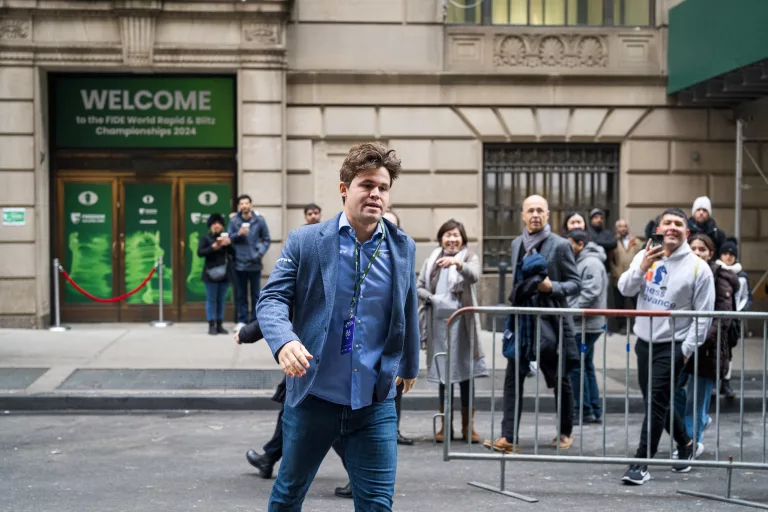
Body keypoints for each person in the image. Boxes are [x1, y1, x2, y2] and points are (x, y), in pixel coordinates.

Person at [256, 142, 420, 510]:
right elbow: (271, 300)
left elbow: (407, 306)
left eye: (383, 187)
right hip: (316, 395)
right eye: (366, 185)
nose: (376, 194)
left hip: (374, 401)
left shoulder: (403, 247)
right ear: (344, 188)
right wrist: (284, 342)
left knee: (377, 503)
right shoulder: (307, 241)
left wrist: (410, 364)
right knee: (287, 496)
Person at [618, 207, 715, 486]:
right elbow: (625, 288)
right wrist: (642, 267)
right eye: (667, 223)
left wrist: (685, 350)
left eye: (678, 224)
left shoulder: (699, 268)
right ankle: (686, 443)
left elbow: (703, 316)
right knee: (655, 401)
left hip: (672, 345)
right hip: (644, 343)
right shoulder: (646, 253)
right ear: (659, 228)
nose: (672, 227)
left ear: (687, 231)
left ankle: (641, 462)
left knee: (657, 403)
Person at [484, 195, 580, 454]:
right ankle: (508, 437)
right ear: (523, 216)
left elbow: (575, 283)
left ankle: (565, 431)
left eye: (540, 210)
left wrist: (552, 287)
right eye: (530, 210)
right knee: (512, 378)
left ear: (548, 215)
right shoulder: (517, 243)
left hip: (550, 323)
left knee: (559, 379)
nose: (535, 214)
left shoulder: (560, 245)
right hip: (522, 325)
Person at [236, 323, 351, 499]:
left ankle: (358, 476)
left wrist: (245, 334)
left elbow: (277, 308)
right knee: (292, 410)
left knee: (329, 421)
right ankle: (269, 457)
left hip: (314, 358)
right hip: (310, 357)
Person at [418, 219, 489, 444]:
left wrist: (457, 264)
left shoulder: (469, 257)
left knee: (465, 375)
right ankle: (444, 426)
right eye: (448, 235)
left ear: (463, 238)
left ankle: (468, 427)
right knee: (443, 376)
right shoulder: (432, 260)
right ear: (441, 238)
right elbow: (418, 286)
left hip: (463, 325)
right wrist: (432, 298)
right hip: (439, 325)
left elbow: (475, 275)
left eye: (456, 235)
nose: (452, 239)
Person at [672, 233, 738, 459]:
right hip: (684, 345)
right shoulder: (685, 272)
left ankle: (690, 446)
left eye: (703, 249)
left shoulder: (719, 277)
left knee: (695, 399)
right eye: (693, 248)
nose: (697, 252)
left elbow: (722, 318)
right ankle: (700, 421)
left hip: (706, 349)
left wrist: (697, 339)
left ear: (711, 253)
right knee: (671, 392)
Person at [565, 229, 607, 425]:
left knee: (576, 367)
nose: (566, 248)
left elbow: (591, 292)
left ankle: (582, 410)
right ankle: (592, 409)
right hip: (585, 324)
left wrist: (571, 310)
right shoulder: (584, 260)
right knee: (585, 366)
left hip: (585, 325)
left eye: (569, 244)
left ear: (580, 244)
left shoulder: (590, 262)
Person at [382, 209, 412, 446]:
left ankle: (393, 430)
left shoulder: (404, 255)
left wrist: (410, 363)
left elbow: (409, 307)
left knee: (395, 388)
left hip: (393, 340)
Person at [714, 237, 751, 399]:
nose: (728, 256)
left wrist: (739, 311)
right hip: (716, 317)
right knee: (714, 351)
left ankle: (726, 383)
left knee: (728, 352)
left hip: (733, 319)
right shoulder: (714, 271)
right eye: (725, 253)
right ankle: (714, 381)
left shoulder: (742, 276)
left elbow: (747, 297)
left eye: (731, 254)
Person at [228, 194, 271, 332]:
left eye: (247, 203)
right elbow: (229, 239)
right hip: (239, 262)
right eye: (242, 203)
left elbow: (266, 239)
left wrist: (259, 254)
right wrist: (238, 233)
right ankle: (242, 320)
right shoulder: (234, 221)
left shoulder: (259, 220)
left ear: (251, 205)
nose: (244, 206)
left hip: (254, 262)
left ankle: (256, 322)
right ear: (239, 206)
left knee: (256, 294)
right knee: (241, 294)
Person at [197, 213, 234, 335]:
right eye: (214, 223)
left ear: (223, 226)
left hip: (224, 274)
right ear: (210, 226)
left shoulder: (226, 239)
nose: (217, 226)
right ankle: (211, 325)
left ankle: (219, 325)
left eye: (219, 223)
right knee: (211, 300)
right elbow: (200, 252)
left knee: (221, 300)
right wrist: (213, 247)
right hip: (210, 274)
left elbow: (234, 254)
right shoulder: (205, 238)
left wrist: (229, 244)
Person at [610, 219, 643, 334]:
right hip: (618, 279)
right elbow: (610, 260)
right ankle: (622, 327)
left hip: (634, 279)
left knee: (637, 303)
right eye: (620, 226)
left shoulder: (636, 242)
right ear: (617, 229)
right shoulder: (613, 242)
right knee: (620, 305)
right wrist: (615, 273)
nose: (623, 229)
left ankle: (639, 326)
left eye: (625, 226)